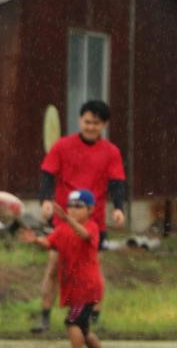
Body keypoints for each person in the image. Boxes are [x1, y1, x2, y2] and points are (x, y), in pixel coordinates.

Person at [33, 99, 126, 333]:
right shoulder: (62, 146)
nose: (90, 127)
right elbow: (47, 174)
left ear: (104, 125)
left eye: (96, 123)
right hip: (64, 219)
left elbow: (117, 182)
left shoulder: (111, 152)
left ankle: (93, 318)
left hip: (93, 222)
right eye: (87, 122)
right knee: (54, 265)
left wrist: (118, 208)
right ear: (79, 121)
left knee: (93, 269)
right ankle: (44, 317)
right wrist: (45, 201)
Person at [20, 189, 103, 348]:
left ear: (91, 210)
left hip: (86, 288)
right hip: (73, 288)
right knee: (84, 329)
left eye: (78, 206)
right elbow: (49, 242)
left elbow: (85, 235)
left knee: (71, 322)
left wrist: (67, 219)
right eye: (70, 206)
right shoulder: (62, 229)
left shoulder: (92, 227)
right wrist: (36, 240)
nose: (72, 209)